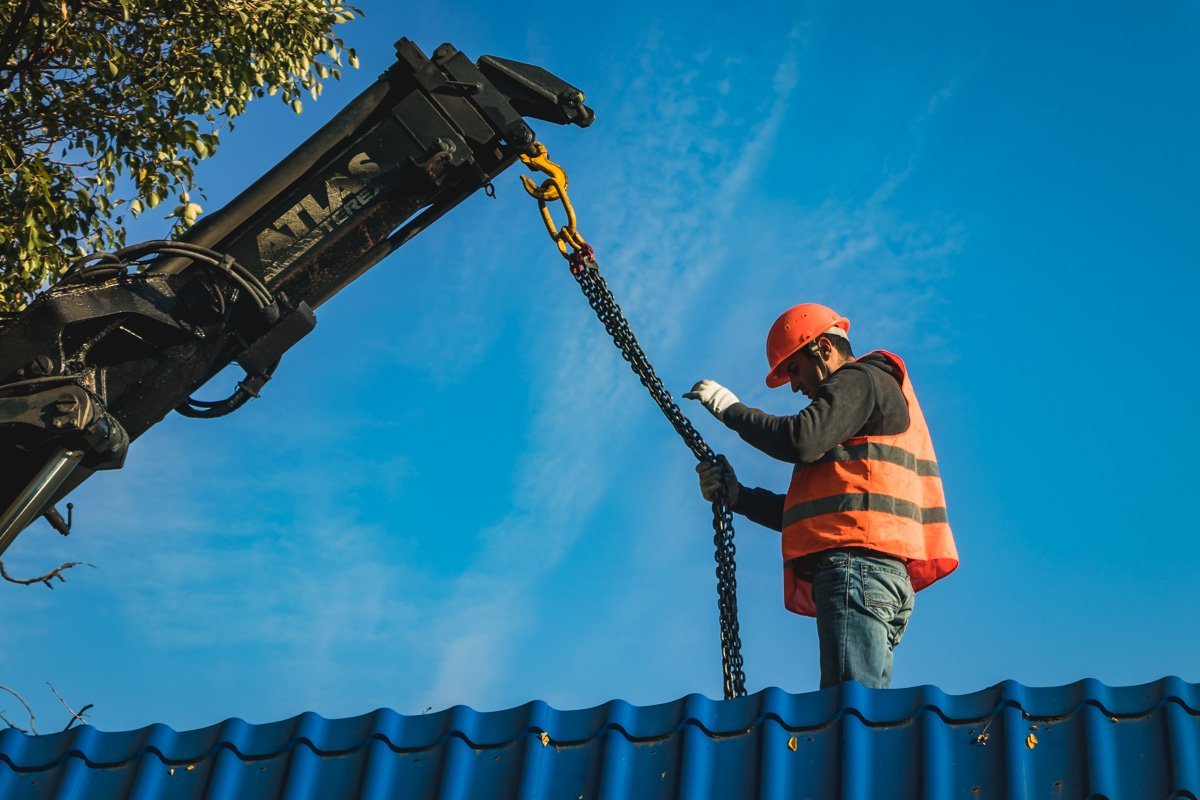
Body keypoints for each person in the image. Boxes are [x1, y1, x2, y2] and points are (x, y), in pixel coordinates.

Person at [683, 303, 957, 689]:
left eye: (794, 368)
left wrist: (730, 410)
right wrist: (739, 497)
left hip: (858, 570)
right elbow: (815, 514)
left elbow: (800, 438)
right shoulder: (859, 419)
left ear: (824, 348)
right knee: (863, 715)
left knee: (848, 717)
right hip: (877, 574)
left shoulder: (861, 379)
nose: (795, 385)